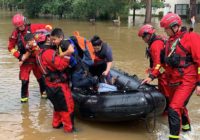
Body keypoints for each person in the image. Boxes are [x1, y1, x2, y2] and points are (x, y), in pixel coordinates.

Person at [160, 12, 200, 140]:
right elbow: (165, 65)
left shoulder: (191, 37)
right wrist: (154, 75)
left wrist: (199, 83)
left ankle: (173, 138)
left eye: (166, 28)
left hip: (188, 79)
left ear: (174, 26)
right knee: (179, 106)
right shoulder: (169, 42)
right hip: (174, 80)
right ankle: (187, 128)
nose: (165, 31)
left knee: (173, 109)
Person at [8, 13, 52, 102]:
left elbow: (47, 27)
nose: (21, 28)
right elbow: (10, 47)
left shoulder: (34, 27)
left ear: (24, 22)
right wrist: (20, 56)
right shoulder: (15, 34)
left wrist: (48, 30)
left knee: (41, 78)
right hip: (25, 60)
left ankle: (44, 96)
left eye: (21, 26)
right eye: (18, 27)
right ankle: (24, 101)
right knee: (24, 81)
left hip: (36, 58)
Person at [36, 34, 74, 133]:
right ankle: (69, 130)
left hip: (49, 85)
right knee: (67, 107)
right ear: (45, 42)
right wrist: (67, 56)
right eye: (49, 40)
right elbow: (60, 66)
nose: (52, 41)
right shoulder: (48, 53)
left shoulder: (38, 53)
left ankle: (56, 125)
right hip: (59, 86)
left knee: (57, 107)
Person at [138, 24, 170, 109]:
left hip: (165, 71)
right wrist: (151, 70)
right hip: (165, 68)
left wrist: (151, 76)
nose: (143, 39)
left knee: (165, 90)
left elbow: (158, 64)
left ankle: (166, 109)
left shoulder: (155, 45)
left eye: (143, 37)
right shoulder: (158, 39)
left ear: (148, 35)